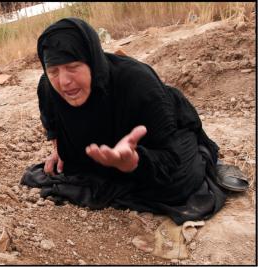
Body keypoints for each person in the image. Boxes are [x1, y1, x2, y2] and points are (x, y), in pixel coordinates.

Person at [21, 17, 248, 225]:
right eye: (53, 71)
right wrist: (58, 148)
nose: (64, 82)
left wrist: (134, 161)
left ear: (92, 60)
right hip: (105, 149)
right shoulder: (48, 87)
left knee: (180, 188)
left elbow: (168, 155)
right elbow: (51, 120)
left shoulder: (138, 83)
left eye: (73, 68)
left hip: (159, 138)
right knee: (63, 170)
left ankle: (209, 160)